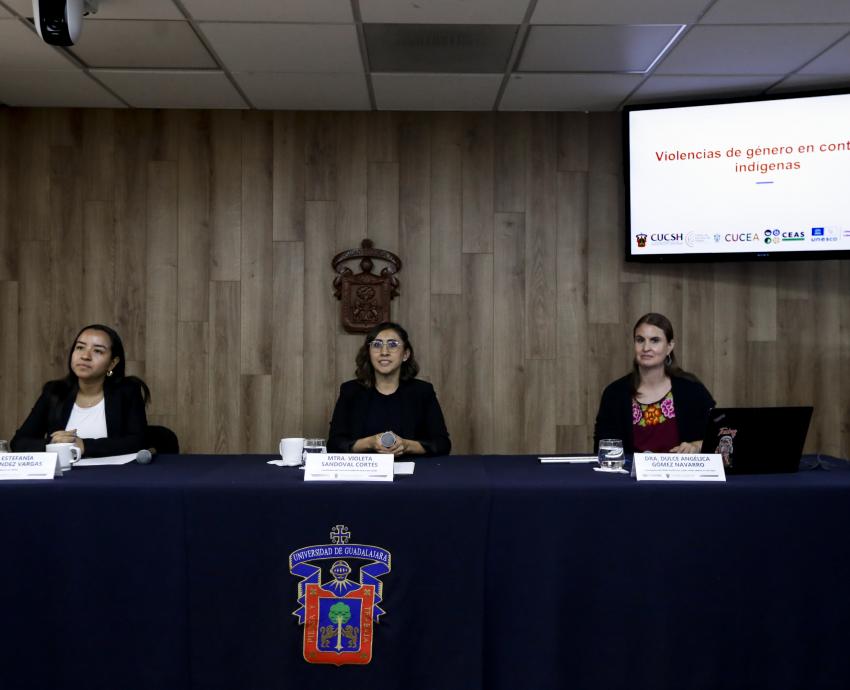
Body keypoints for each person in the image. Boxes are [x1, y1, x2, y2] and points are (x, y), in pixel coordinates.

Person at [11, 324, 150, 457]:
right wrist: (52, 444)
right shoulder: (54, 391)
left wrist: (84, 445)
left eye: (97, 351)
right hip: (63, 478)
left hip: (111, 477)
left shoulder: (127, 392)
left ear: (112, 363)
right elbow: (19, 442)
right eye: (80, 347)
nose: (85, 356)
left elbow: (139, 442)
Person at [594, 313, 715, 455]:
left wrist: (696, 445)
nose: (646, 348)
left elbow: (718, 437)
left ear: (669, 346)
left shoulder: (692, 389)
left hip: (681, 475)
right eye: (640, 340)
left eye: (655, 340)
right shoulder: (614, 393)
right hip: (629, 476)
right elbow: (602, 448)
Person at [327, 321, 451, 457]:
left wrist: (407, 445)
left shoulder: (423, 391)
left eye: (393, 345)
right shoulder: (350, 391)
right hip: (364, 473)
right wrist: (369, 443)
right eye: (377, 345)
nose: (384, 352)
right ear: (369, 353)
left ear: (405, 354)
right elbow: (334, 445)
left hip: (415, 472)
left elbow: (442, 444)